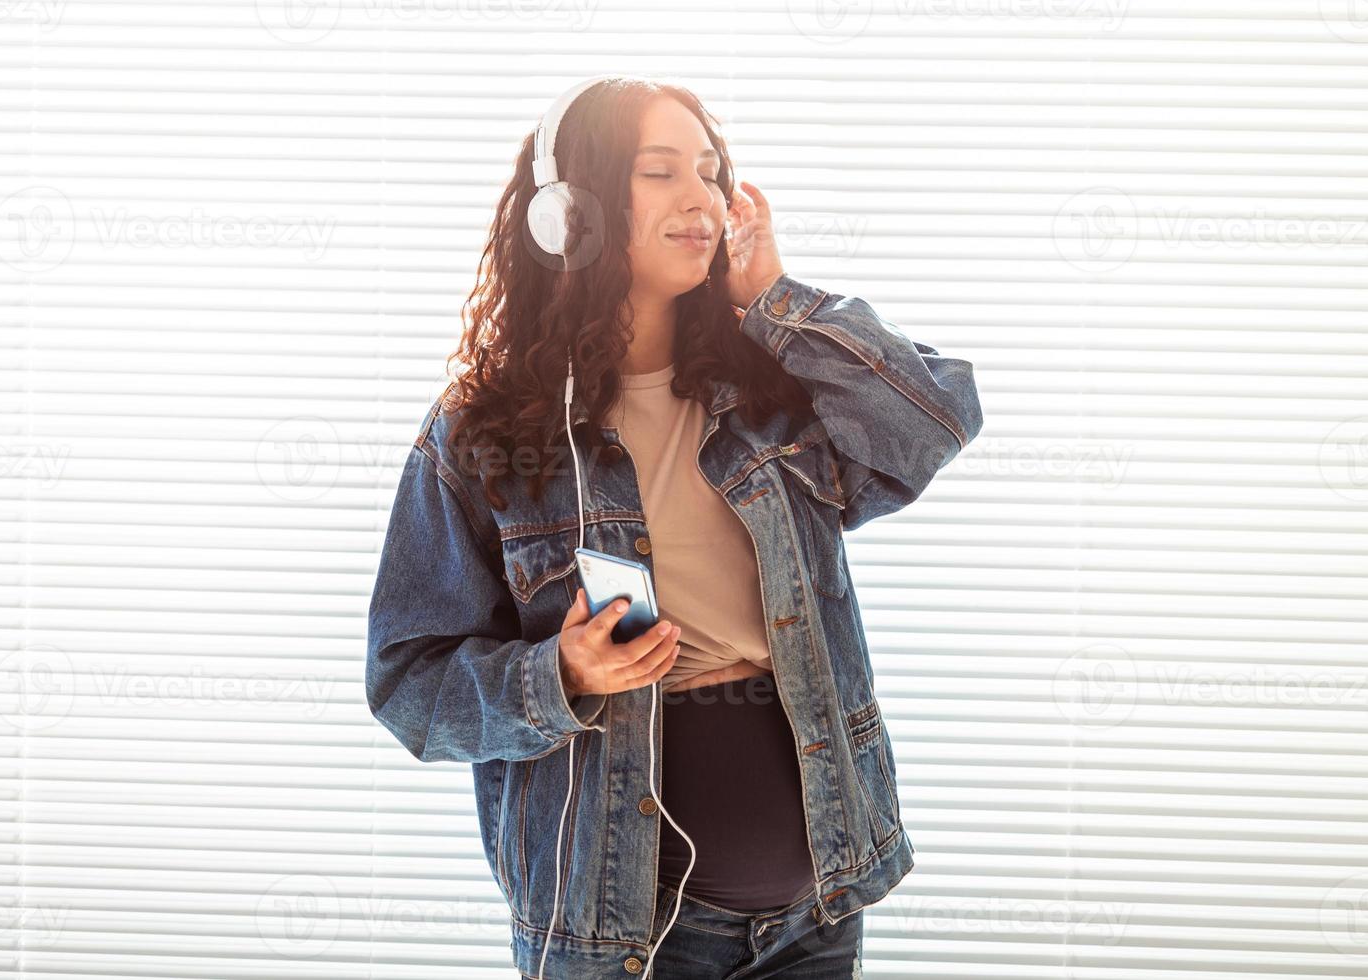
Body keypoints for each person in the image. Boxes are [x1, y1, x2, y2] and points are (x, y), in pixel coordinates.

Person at [367, 75, 984, 979]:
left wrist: (774, 297)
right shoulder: (482, 435)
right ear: (567, 214)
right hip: (624, 939)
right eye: (660, 172)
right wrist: (558, 673)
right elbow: (408, 684)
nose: (702, 198)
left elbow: (933, 421)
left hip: (817, 913)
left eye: (710, 171)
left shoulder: (769, 396)